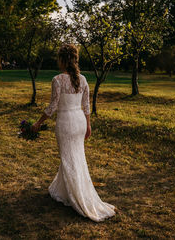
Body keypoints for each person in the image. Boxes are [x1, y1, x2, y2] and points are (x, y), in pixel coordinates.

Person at [32, 44, 116, 222]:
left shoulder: (58, 80)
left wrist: (38, 123)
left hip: (66, 123)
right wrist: (88, 125)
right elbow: (86, 106)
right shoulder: (83, 79)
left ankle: (79, 197)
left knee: (69, 159)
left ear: (62, 59)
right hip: (79, 122)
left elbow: (53, 107)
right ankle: (65, 190)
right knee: (75, 158)